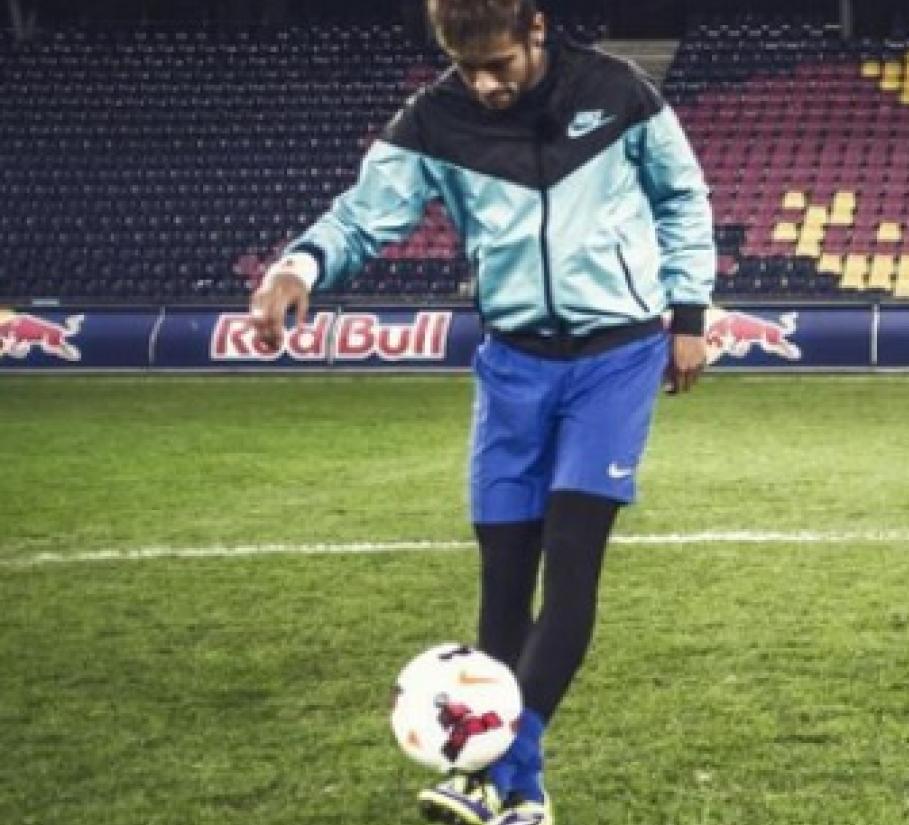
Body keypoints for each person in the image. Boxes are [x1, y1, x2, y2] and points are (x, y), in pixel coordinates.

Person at [247, 1, 715, 822]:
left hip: (617, 354)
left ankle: (497, 769)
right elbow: (366, 214)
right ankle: (523, 799)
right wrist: (299, 266)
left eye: (498, 63)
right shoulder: (435, 120)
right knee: (503, 586)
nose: (485, 84)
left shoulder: (619, 92)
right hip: (512, 364)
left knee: (571, 564)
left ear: (537, 29)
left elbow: (682, 197)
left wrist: (688, 314)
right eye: (468, 68)